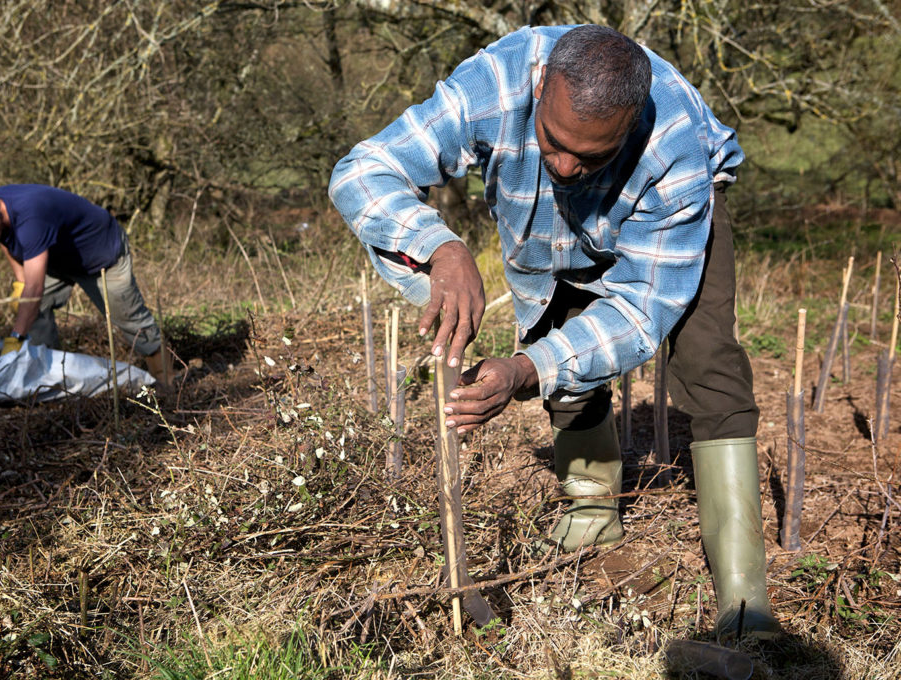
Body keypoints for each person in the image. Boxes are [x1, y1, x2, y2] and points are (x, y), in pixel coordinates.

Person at [329, 24, 778, 640]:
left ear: (630, 128)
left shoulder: (674, 149)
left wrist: (525, 369)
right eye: (553, 142)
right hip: (533, 211)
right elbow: (362, 170)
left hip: (669, 212)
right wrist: (440, 247)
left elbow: (640, 314)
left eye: (590, 155)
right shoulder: (494, 82)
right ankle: (594, 509)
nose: (566, 167)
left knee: (707, 359)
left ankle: (744, 595)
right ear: (539, 88)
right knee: (555, 318)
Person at [0, 184, 172, 386]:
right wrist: (20, 281)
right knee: (28, 309)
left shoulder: (31, 217)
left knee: (131, 321)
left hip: (101, 258)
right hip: (58, 259)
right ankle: (46, 376)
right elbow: (4, 241)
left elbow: (35, 290)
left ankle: (167, 383)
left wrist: (15, 338)